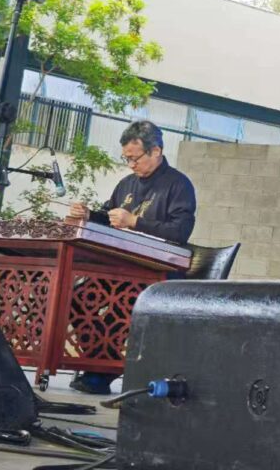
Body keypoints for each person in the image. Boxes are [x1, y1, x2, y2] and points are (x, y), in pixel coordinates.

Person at [64, 120, 196, 394]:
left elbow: (180, 231)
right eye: (126, 159)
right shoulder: (126, 184)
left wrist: (135, 221)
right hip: (121, 267)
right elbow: (110, 217)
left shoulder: (178, 185)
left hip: (157, 272)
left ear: (156, 151)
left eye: (135, 158)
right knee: (77, 298)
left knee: (119, 303)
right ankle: (100, 365)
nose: (131, 165)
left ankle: (101, 372)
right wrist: (88, 215)